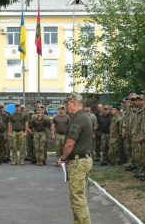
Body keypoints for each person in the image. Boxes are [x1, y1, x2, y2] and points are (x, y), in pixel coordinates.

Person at [58, 92, 93, 224]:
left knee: (78, 197)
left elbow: (70, 143)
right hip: (84, 160)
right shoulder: (84, 116)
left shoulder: (78, 118)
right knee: (79, 195)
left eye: (67, 104)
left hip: (78, 161)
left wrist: (63, 158)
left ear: (73, 103)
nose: (66, 107)